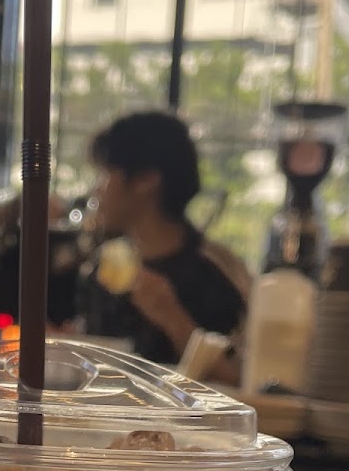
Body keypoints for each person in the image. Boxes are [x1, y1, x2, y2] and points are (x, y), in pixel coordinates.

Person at [87, 111, 251, 377]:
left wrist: (173, 318)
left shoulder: (216, 272)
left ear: (146, 181)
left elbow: (240, 381)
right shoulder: (104, 266)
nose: (97, 190)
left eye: (105, 174)